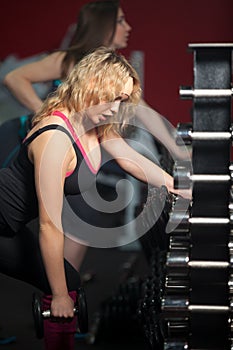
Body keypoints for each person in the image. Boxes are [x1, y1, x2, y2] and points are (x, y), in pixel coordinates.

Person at [0, 47, 190, 350]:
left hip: (11, 224)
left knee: (68, 283)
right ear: (91, 85)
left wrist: (176, 185)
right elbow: (50, 225)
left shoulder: (93, 125)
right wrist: (60, 296)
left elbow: (128, 157)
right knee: (62, 289)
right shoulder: (56, 138)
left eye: (123, 100)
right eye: (113, 96)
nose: (117, 108)